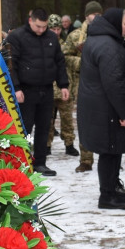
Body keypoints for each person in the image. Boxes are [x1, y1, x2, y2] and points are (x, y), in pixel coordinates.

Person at [79, 8, 125, 209]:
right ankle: (107, 195)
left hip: (101, 106)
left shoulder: (100, 40)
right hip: (107, 109)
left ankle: (113, 185)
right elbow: (113, 82)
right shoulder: (108, 46)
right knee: (110, 150)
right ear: (115, 24)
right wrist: (124, 112)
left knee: (113, 150)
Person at [6, 8, 68, 175]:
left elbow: (59, 61)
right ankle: (21, 162)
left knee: (44, 127)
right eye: (38, 26)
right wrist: (16, 88)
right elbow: (12, 65)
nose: (42, 30)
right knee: (24, 127)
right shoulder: (17, 37)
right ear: (30, 20)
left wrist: (63, 84)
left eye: (44, 27)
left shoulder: (51, 38)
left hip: (46, 89)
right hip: (26, 91)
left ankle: (40, 162)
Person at [63, 0, 101, 172]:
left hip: (103, 83)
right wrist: (83, 62)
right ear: (87, 16)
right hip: (81, 83)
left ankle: (108, 157)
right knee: (85, 122)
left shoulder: (107, 33)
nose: (97, 17)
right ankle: (86, 159)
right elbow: (64, 55)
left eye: (100, 14)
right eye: (94, 14)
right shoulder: (75, 35)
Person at [48, 13, 77, 156]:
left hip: (65, 88)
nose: (56, 32)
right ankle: (46, 146)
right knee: (47, 120)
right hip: (48, 88)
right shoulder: (44, 44)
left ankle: (69, 144)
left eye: (58, 29)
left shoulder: (66, 45)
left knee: (67, 119)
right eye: (53, 29)